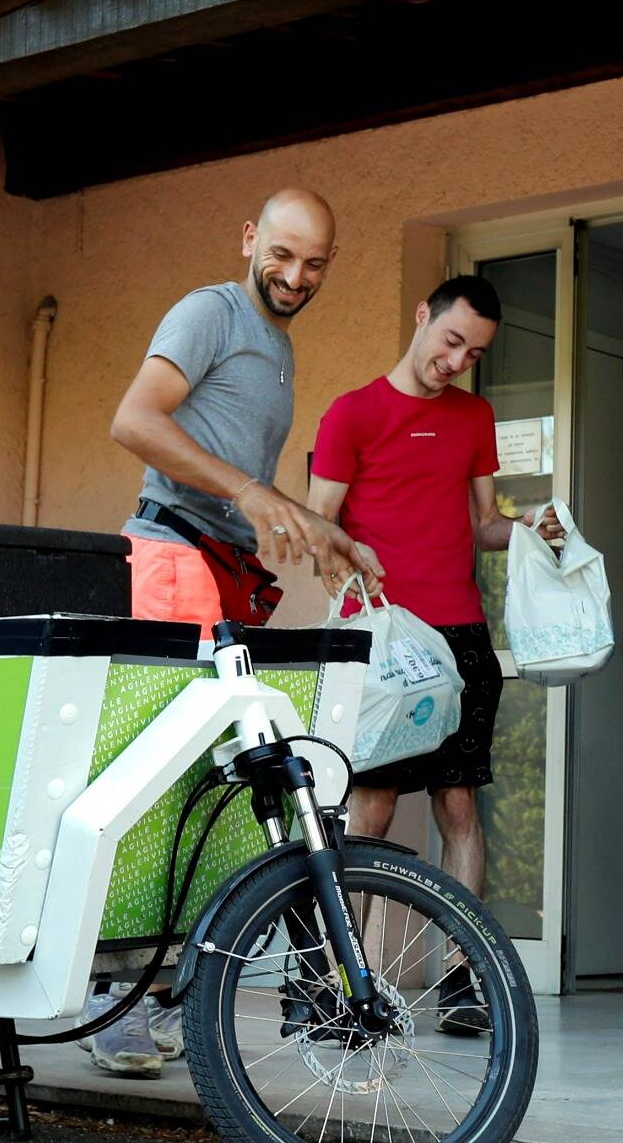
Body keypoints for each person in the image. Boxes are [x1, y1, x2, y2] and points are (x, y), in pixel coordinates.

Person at [82, 188, 383, 1079]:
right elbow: (134, 421)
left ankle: (165, 994)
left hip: (223, 572)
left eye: (316, 263)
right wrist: (251, 496)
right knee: (163, 785)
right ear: (249, 236)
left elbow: (241, 483)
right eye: (283, 254)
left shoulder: (278, 348)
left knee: (218, 791)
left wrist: (319, 530)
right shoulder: (210, 313)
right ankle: (114, 1002)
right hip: (171, 558)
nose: (296, 276)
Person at [307, 274, 560, 1037]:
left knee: (458, 806)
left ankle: (460, 979)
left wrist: (528, 528)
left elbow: (485, 524)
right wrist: (356, 577)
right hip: (383, 639)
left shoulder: (475, 416)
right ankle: (341, 981)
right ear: (422, 316)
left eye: (474, 352)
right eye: (451, 340)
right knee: (370, 811)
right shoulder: (352, 412)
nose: (458, 360)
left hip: (460, 634)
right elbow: (318, 528)